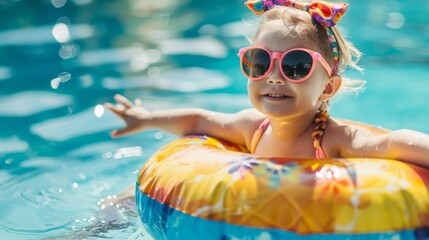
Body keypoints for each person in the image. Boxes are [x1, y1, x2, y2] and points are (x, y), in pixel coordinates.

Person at [105, 0, 429, 167]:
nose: (274, 76)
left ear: (328, 88)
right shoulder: (253, 128)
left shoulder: (335, 142)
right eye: (260, 62)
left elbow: (391, 144)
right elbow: (199, 120)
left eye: (296, 65)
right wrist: (146, 119)